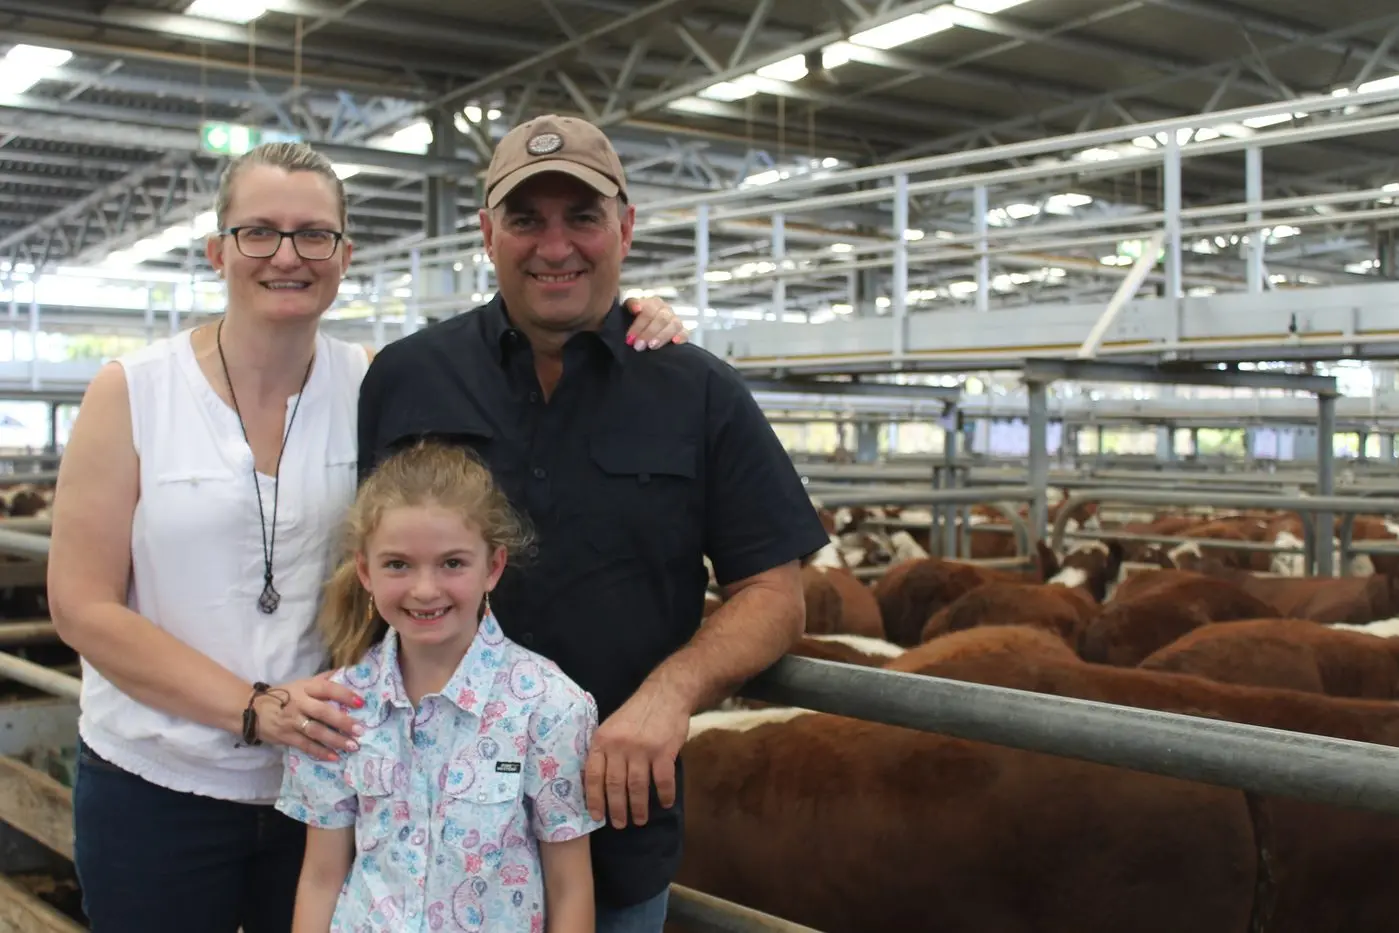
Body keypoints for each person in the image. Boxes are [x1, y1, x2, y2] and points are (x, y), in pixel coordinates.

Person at [46, 140, 687, 932]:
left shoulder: (378, 380)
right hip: (158, 780)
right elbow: (81, 605)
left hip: (335, 784)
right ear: (217, 250)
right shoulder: (132, 390)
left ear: (344, 255)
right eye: (259, 232)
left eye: (314, 234)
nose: (287, 254)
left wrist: (628, 312)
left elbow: (500, 406)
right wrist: (252, 707)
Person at [355, 113, 830, 932]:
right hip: (417, 833)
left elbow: (774, 594)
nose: (554, 245)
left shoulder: (700, 393)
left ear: (625, 227)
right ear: (485, 233)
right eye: (525, 218)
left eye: (581, 216)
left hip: (611, 825)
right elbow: (358, 576)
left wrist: (668, 694)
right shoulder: (405, 377)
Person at [277, 440, 604, 933]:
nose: (425, 589)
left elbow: (570, 885)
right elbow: (322, 877)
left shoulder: (550, 706)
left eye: (452, 563)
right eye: (397, 564)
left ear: (493, 567)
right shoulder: (338, 708)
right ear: (365, 570)